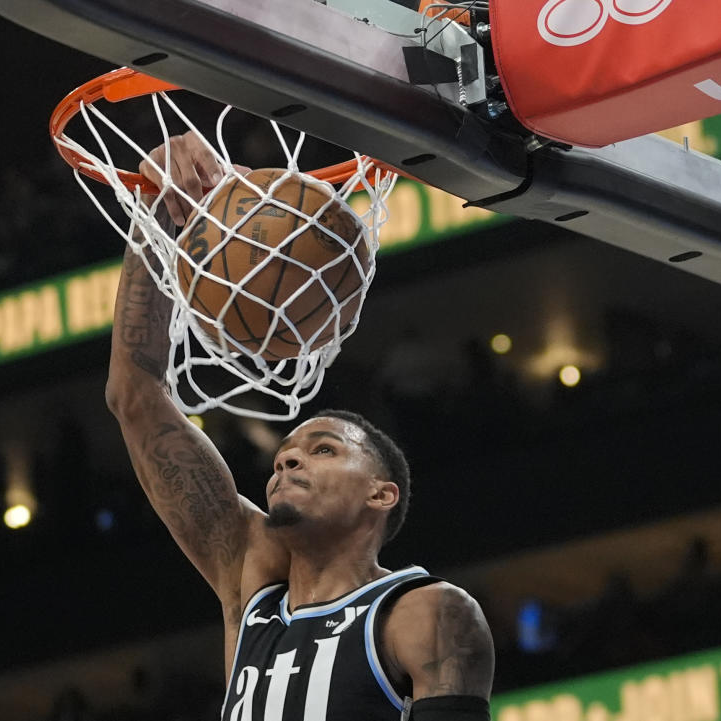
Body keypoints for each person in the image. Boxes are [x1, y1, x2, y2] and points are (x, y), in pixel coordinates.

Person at [105, 131, 494, 721]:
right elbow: (135, 397)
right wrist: (157, 219)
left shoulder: (424, 612)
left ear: (381, 494)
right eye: (286, 453)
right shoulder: (251, 580)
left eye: (323, 449)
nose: (288, 461)